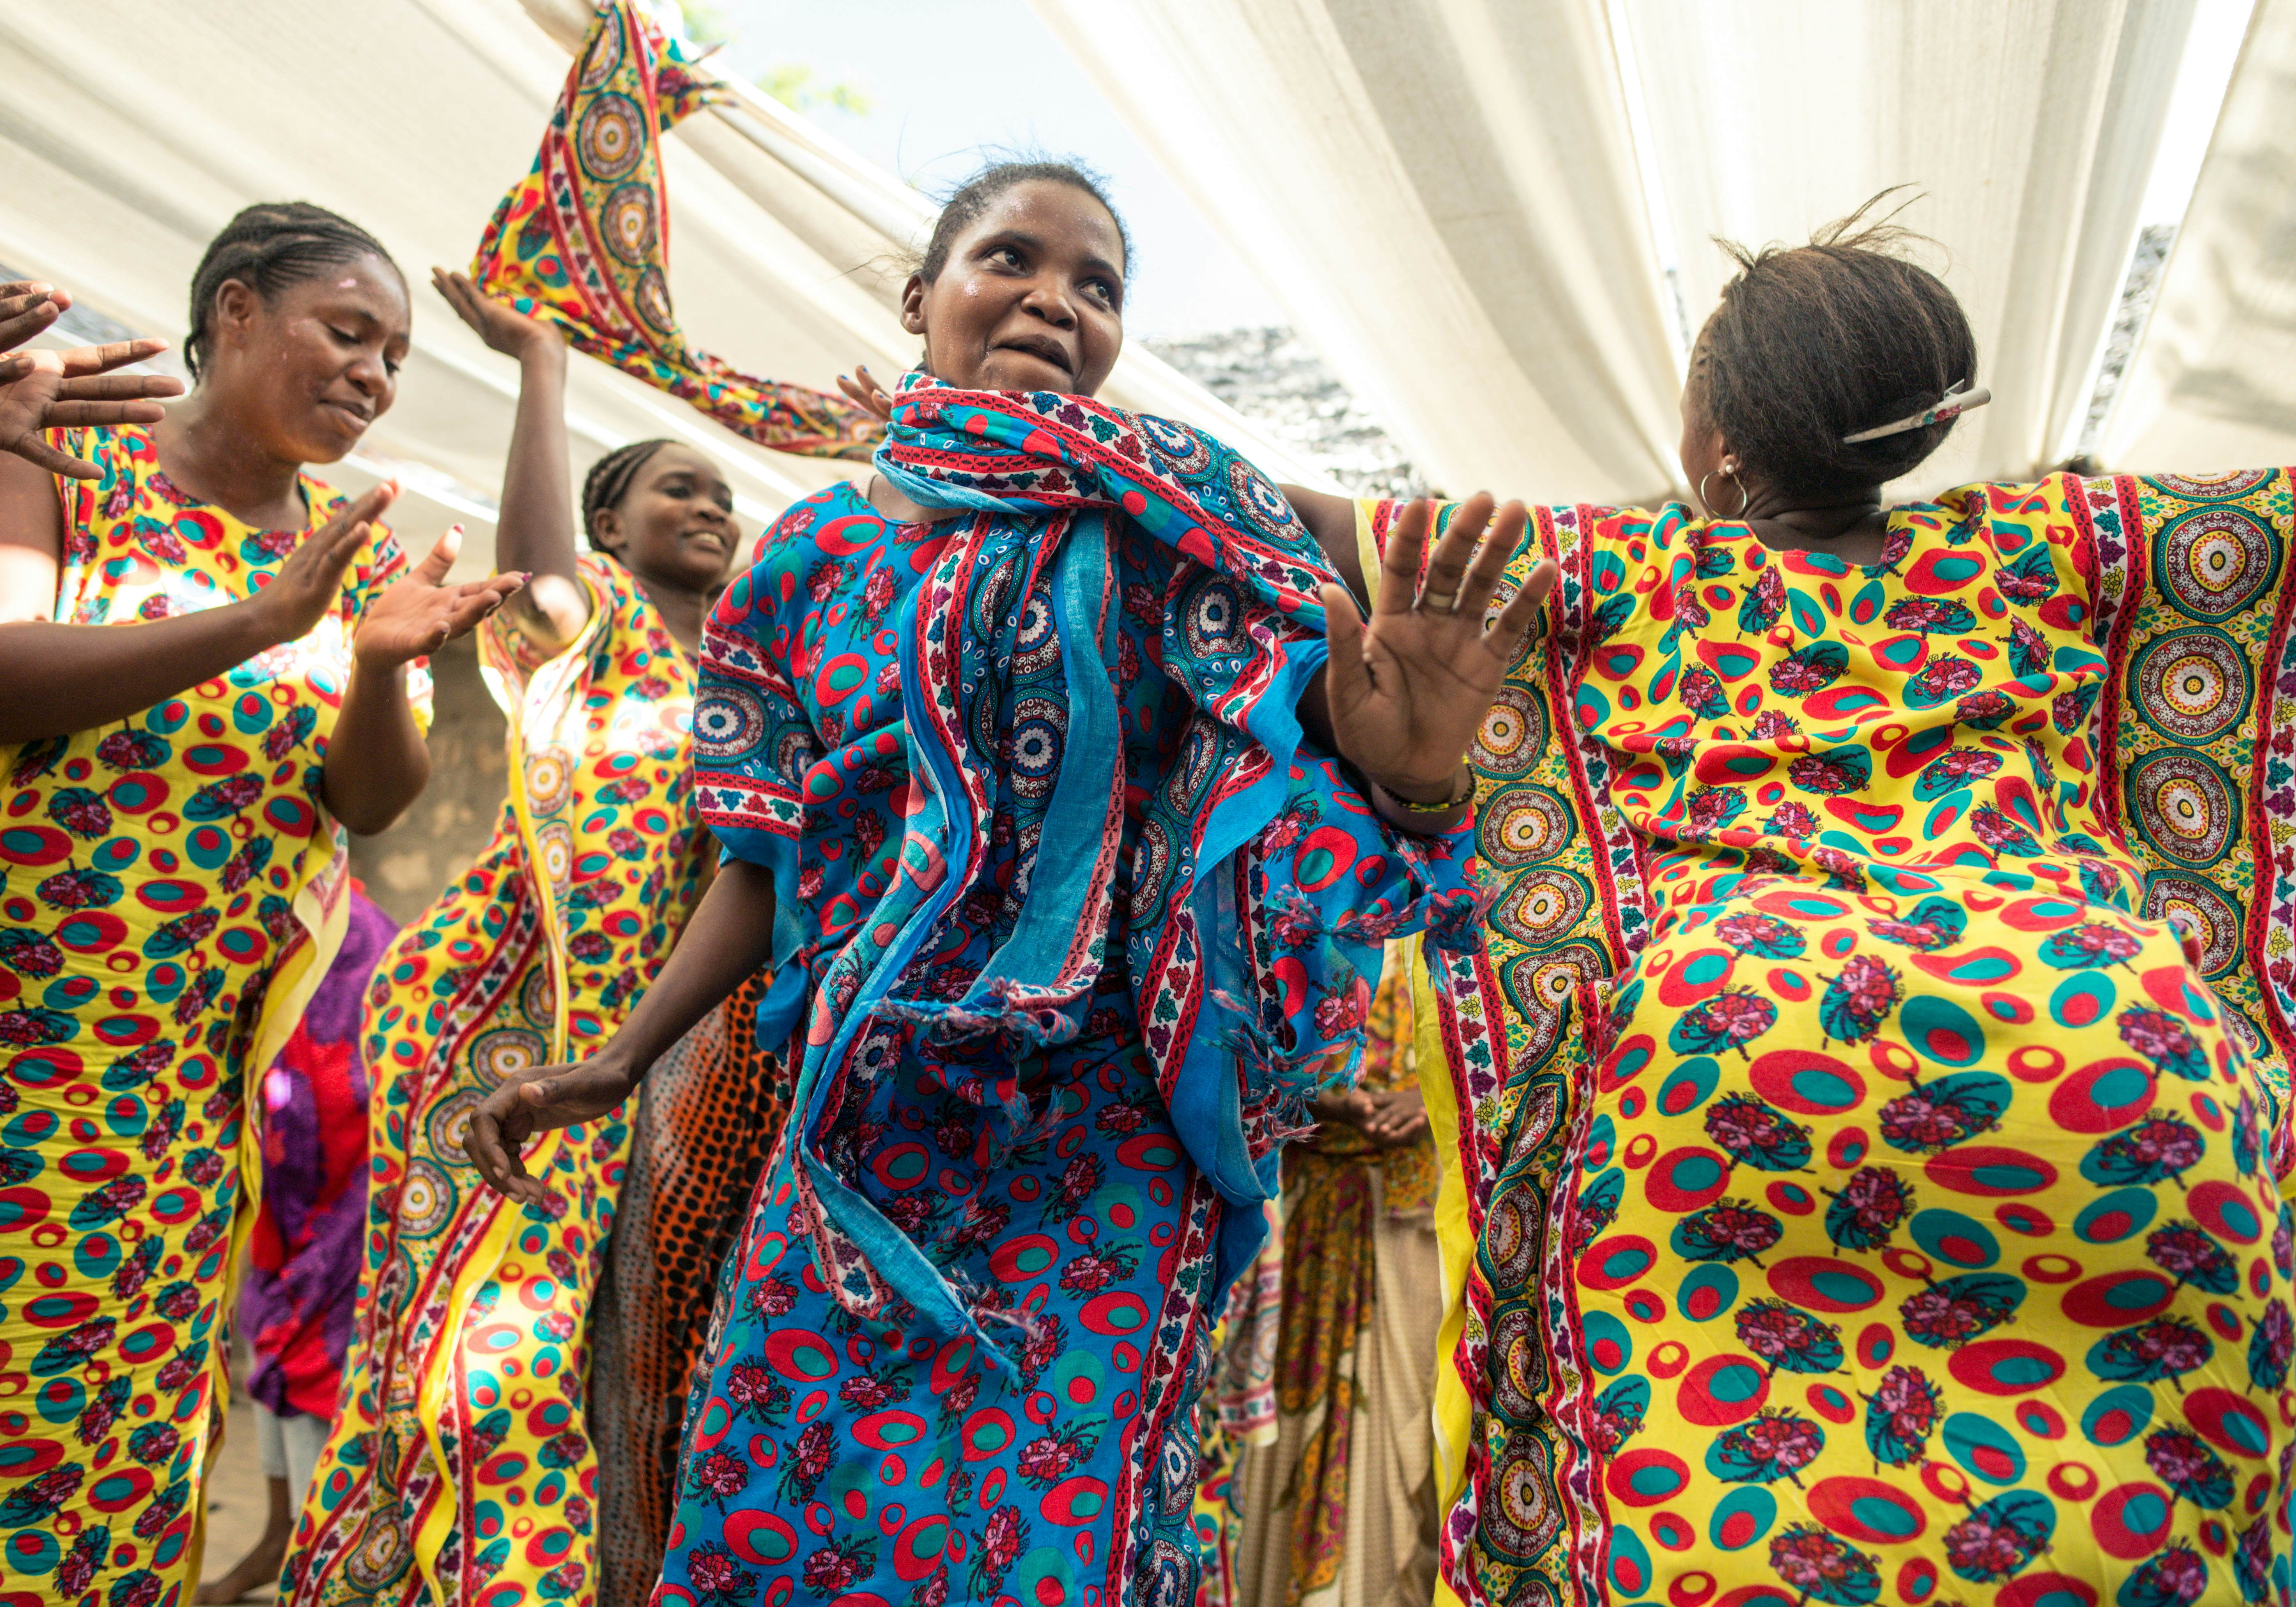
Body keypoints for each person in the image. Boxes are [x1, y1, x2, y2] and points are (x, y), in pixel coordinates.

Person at [462, 145, 1545, 1603]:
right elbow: (762, 863)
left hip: (1104, 1138)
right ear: (923, 298)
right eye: (1011, 262)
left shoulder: (1184, 527)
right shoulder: (804, 558)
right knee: (784, 1505)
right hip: (861, 1125)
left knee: (1059, 1539)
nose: (1055, 299)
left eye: (1096, 287)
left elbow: (1307, 822)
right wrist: (621, 1053)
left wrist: (1411, 774)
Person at [1397, 201, 2296, 1607]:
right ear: (1926, 422)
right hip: (2102, 1041)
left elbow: (1277, 529)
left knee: (1722, 1516)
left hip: (1746, 1041)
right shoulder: (2058, 541)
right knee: (2142, 1518)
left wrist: (1018, 426)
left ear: (1719, 445)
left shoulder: (1635, 571)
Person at [0, 201, 518, 1607]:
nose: (373, 375)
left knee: (104, 1462)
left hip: (174, 1106)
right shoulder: (63, 457)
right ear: (233, 309)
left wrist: (369, 664)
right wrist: (258, 625)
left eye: (397, 357)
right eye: (346, 332)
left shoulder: (345, 560)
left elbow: (368, 806)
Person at [277, 260, 785, 1607]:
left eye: (726, 496)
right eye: (680, 487)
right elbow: (538, 578)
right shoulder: (598, 626)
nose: (714, 511)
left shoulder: (757, 679)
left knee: (591, 1346)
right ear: (610, 520)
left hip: (646, 1057)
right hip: (502, 1020)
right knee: (493, 1345)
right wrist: (543, 367)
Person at [196, 888, 400, 1606]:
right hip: (289, 1189)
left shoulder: (357, 949)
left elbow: (352, 1096)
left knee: (317, 1354)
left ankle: (323, 1558)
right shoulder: (257, 913)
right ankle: (282, 1534)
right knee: (272, 1333)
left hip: (341, 1192)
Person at [1227, 936, 1444, 1607]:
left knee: (1416, 1428)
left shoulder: (1475, 900)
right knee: (1290, 1428)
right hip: (1303, 1215)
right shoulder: (1321, 884)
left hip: (1422, 1222)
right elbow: (1240, 1040)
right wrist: (1320, 1097)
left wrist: (1432, 1099)